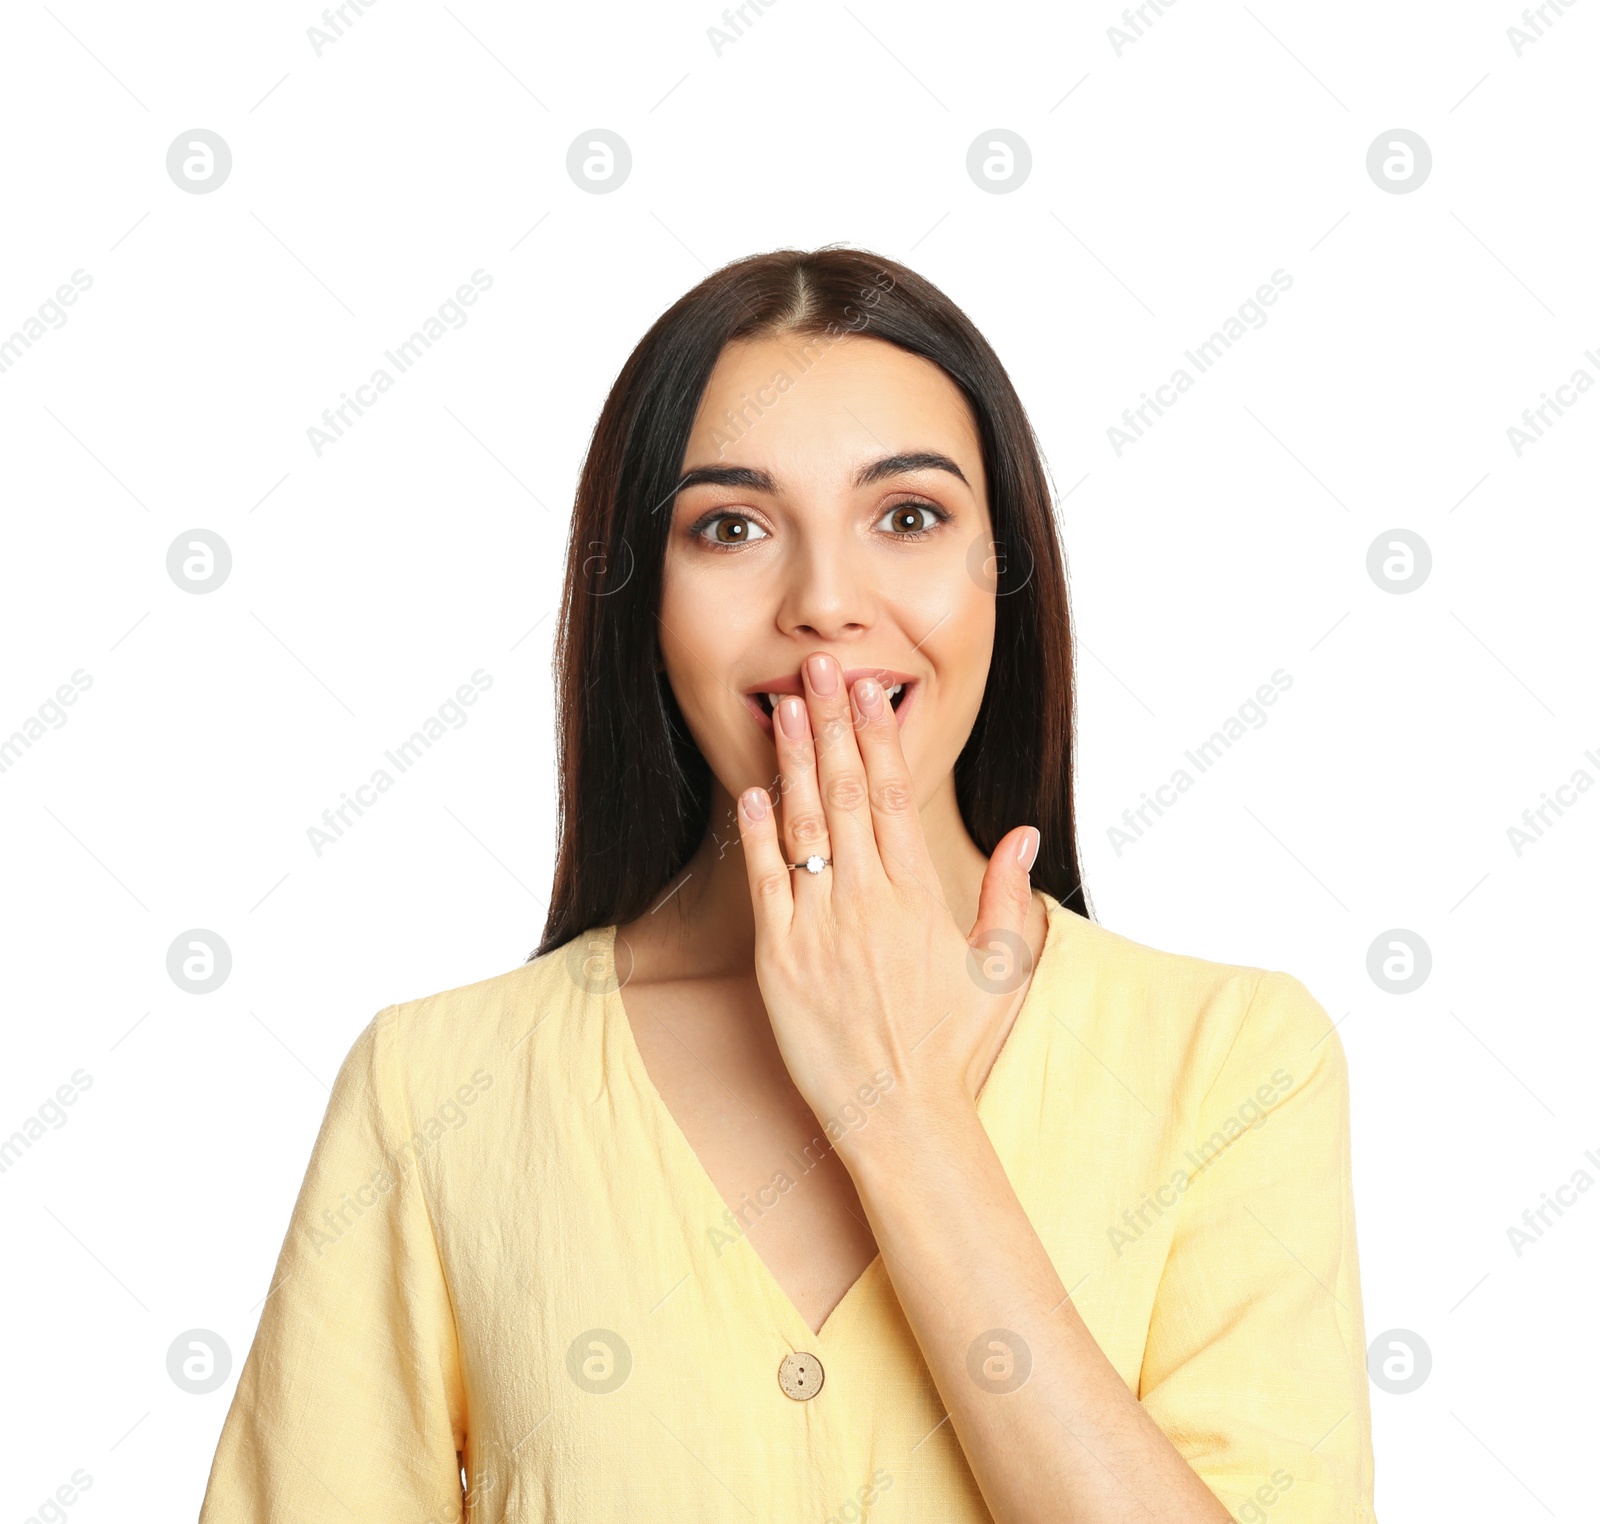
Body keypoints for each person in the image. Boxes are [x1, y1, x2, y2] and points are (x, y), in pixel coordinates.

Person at [197, 248, 1376, 1522]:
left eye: (909, 516)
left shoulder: (1236, 1059)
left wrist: (898, 1110)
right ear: (645, 598)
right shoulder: (435, 1088)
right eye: (732, 527)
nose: (824, 604)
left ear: (1006, 573)